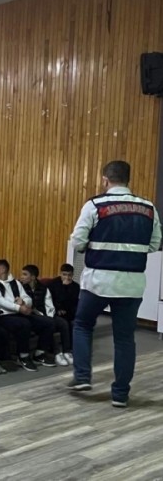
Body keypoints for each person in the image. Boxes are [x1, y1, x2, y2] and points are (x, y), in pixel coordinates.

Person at [67, 160, 161, 407]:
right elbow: (154, 244)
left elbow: (78, 241)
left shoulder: (95, 205)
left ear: (105, 180)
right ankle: (120, 394)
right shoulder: (149, 207)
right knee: (124, 339)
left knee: (82, 325)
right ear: (128, 180)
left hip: (98, 280)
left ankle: (82, 376)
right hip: (132, 284)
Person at [0, 260, 56, 371]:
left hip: (19, 313)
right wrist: (19, 308)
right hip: (2, 316)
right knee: (24, 323)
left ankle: (39, 354)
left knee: (48, 322)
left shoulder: (15, 283)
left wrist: (24, 302)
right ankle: (23, 356)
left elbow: (27, 298)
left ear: (3, 269)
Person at [19, 264, 72, 366]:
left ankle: (67, 351)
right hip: (30, 316)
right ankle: (57, 353)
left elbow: (49, 305)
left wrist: (48, 316)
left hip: (45, 314)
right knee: (49, 323)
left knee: (63, 323)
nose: (22, 277)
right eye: (22, 274)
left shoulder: (43, 288)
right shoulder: (20, 287)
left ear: (33, 277)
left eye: (25, 274)